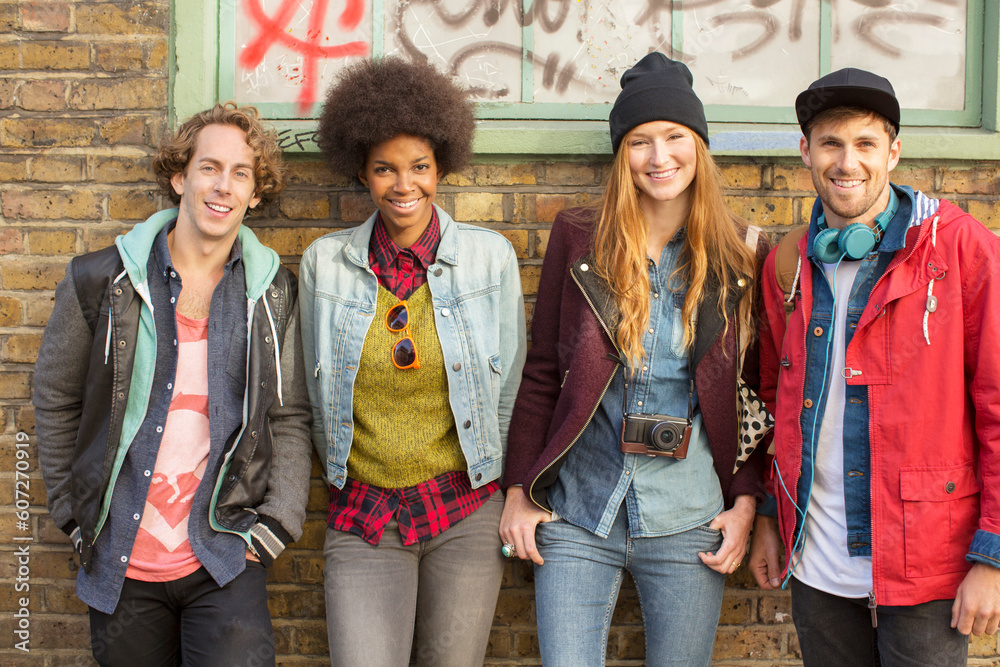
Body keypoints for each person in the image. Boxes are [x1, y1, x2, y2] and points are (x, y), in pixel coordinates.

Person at [498, 52, 770, 666]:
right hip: (577, 509)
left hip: (692, 515)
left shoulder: (742, 253)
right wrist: (519, 490)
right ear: (621, 153)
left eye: (675, 137)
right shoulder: (579, 238)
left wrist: (746, 503)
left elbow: (752, 395)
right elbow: (543, 371)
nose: (659, 157)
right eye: (640, 141)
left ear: (699, 146)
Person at [32, 103, 313, 665]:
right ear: (180, 176)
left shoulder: (274, 294)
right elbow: (56, 397)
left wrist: (276, 523)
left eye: (241, 174)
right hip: (121, 563)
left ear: (256, 194)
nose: (223, 187)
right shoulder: (99, 281)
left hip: (225, 556)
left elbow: (289, 416)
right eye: (210, 167)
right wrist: (72, 511)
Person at [748, 68, 1000, 666]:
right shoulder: (788, 263)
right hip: (816, 558)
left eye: (865, 143)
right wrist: (767, 514)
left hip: (927, 567)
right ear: (805, 151)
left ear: (894, 150)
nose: (848, 162)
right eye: (831, 143)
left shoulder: (961, 249)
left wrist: (991, 557)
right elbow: (774, 401)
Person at [301, 57, 526, 667]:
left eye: (419, 166)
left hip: (464, 512)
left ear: (441, 164)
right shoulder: (324, 266)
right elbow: (304, 400)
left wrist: (506, 488)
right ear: (362, 172)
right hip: (365, 514)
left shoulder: (489, 260)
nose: (405, 185)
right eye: (385, 169)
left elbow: (511, 391)